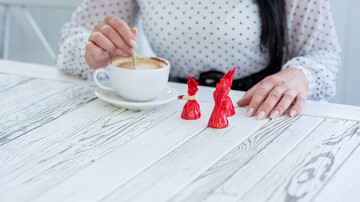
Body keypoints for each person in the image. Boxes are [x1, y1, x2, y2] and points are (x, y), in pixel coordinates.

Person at [58, 0, 341, 120]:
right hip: (172, 114)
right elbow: (75, 35)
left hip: (258, 113)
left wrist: (299, 76)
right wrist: (93, 52)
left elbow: (324, 53)